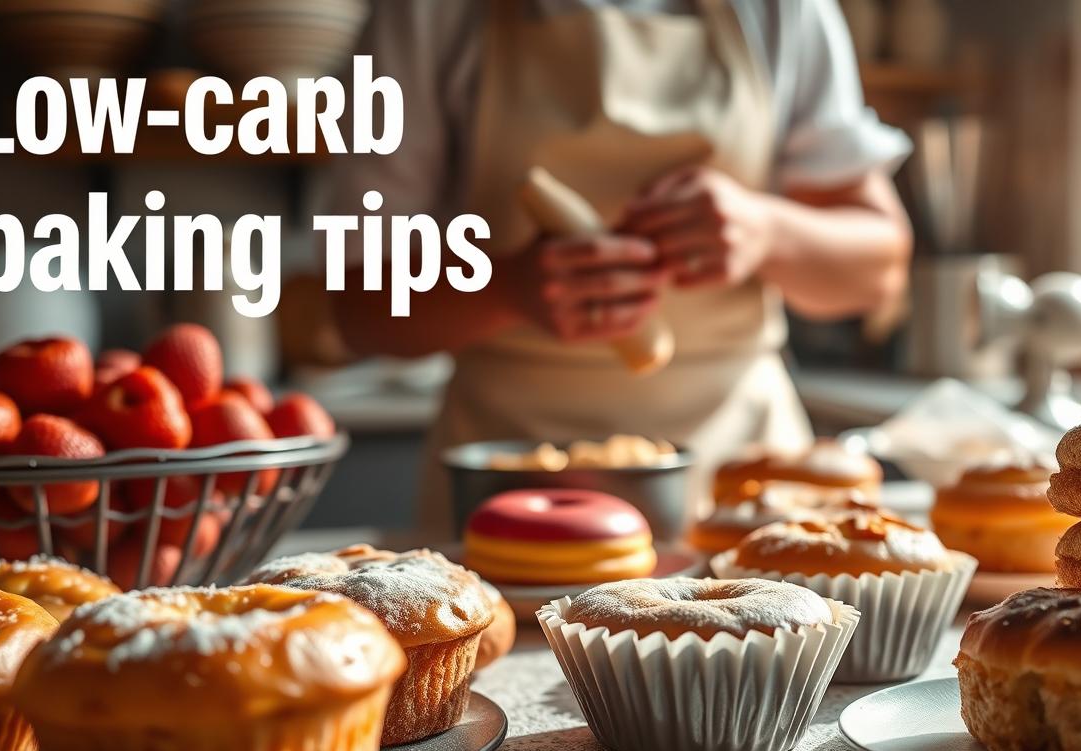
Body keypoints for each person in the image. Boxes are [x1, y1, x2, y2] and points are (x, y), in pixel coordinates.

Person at [330, 0, 913, 535]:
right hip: (507, 485)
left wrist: (766, 230)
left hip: (741, 485)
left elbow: (880, 266)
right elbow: (358, 305)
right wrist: (506, 287)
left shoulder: (783, 10)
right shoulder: (430, 13)